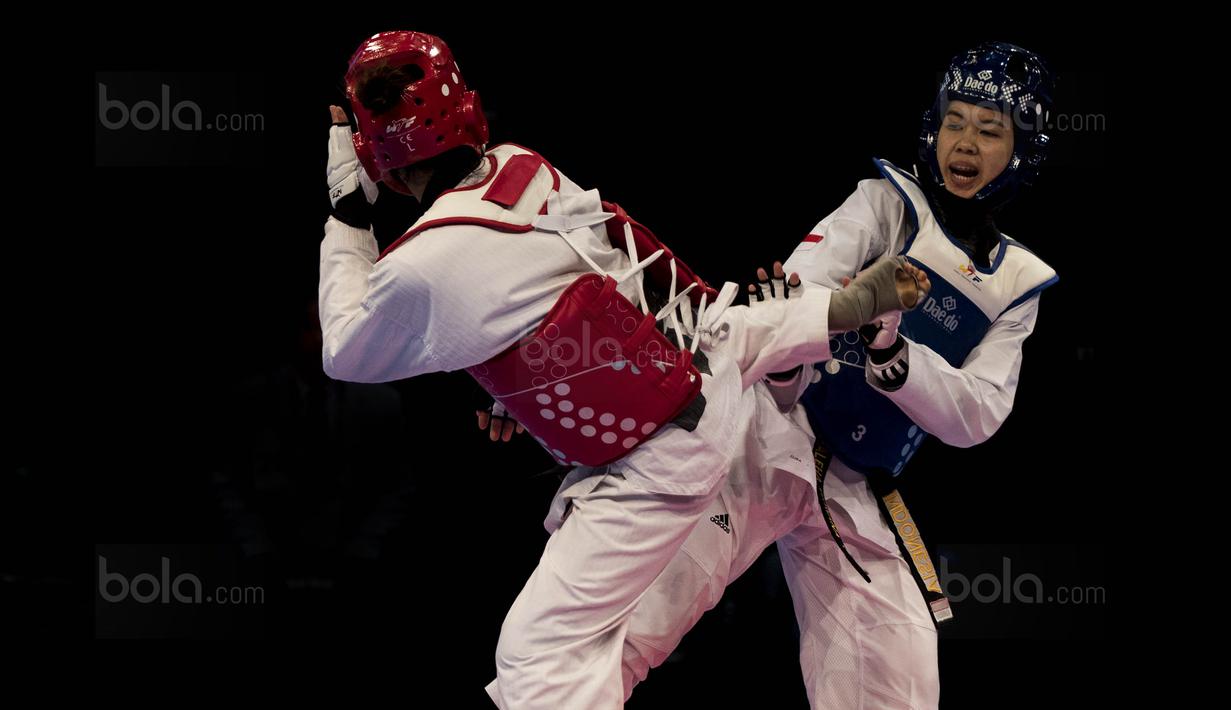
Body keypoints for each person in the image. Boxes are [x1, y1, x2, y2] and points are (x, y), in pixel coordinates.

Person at [319, 31, 926, 710]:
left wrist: (348, 211)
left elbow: (345, 351)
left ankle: (813, 317)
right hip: (707, 363)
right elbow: (582, 295)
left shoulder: (418, 268)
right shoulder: (524, 166)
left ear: (382, 157)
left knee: (540, 655)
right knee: (718, 329)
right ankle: (821, 313)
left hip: (662, 459)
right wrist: (518, 389)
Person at [478, 41, 1057, 709]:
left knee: (894, 683)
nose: (965, 142)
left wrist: (892, 356)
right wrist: (840, 313)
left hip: (853, 485)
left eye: (989, 130)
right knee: (632, 624)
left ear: (1021, 150)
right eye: (955, 120)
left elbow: (977, 414)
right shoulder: (883, 205)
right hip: (762, 430)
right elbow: (795, 296)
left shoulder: (1018, 283)